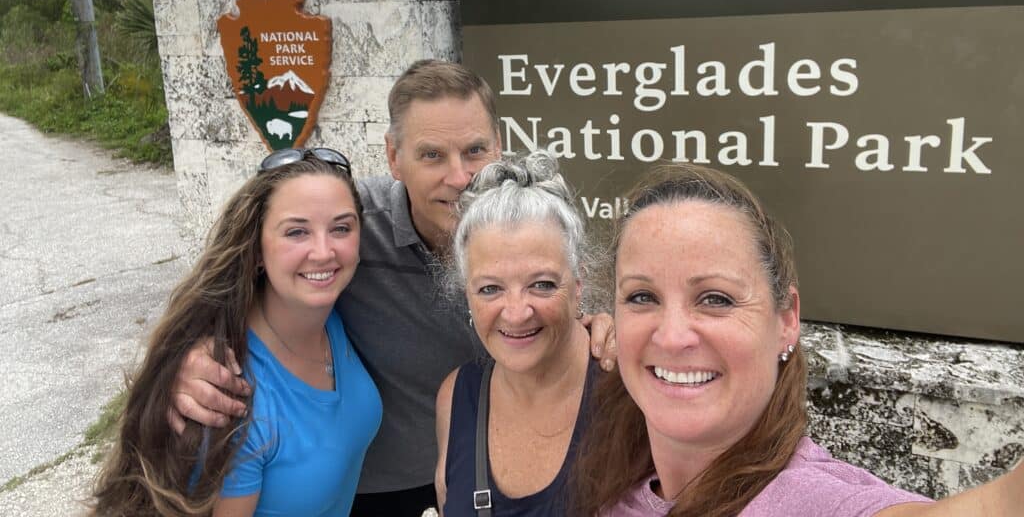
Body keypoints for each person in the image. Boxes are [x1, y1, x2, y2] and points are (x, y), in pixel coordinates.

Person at [170, 60, 616, 516]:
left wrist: (605, 330)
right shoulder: (352, 231)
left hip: (496, 468)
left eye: (475, 149)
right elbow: (256, 272)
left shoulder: (530, 229)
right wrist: (192, 352)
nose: (459, 177)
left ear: (499, 147)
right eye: (432, 155)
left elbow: (560, 305)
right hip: (370, 490)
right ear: (392, 157)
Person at [571, 163, 1024, 517]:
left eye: (716, 298)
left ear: (786, 320)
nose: (671, 336)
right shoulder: (621, 472)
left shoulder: (809, 499)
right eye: (642, 296)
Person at [91, 148, 381, 517]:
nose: (323, 252)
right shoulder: (229, 394)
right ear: (257, 250)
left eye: (341, 228)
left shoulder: (333, 318)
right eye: (296, 232)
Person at [435, 151, 598, 516]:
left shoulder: (628, 392)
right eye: (490, 289)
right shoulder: (457, 396)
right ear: (468, 296)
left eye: (541, 284)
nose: (516, 312)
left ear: (577, 285)